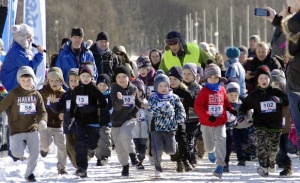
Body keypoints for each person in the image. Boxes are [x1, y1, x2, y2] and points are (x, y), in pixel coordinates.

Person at [236, 65, 289, 177]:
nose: (263, 81)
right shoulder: (254, 95)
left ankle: (272, 162)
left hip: (275, 125)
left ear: (270, 79)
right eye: (260, 78)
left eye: (266, 78)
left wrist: (279, 100)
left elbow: (286, 100)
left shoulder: (276, 91)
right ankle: (264, 167)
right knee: (262, 145)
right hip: (260, 125)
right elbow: (244, 106)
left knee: (273, 149)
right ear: (257, 80)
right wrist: (241, 114)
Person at [263, 1, 300, 157]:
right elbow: (280, 47)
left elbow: (282, 47)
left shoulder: (294, 22)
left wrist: (281, 21)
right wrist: (278, 22)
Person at [0, 66, 47, 181]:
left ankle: (29, 174)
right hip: (17, 129)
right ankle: (21, 151)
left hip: (32, 128)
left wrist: (42, 121)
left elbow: (42, 111)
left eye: (29, 80)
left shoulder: (36, 95)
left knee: (35, 153)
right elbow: (2, 105)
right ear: (19, 81)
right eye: (23, 80)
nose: (26, 83)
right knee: (16, 152)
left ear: (33, 80)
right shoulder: (14, 94)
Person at [194, 64, 237, 178]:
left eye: (215, 77)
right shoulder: (204, 91)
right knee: (209, 145)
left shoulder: (222, 89)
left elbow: (225, 102)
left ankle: (220, 166)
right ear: (206, 79)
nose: (213, 80)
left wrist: (231, 109)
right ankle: (210, 151)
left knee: (221, 141)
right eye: (210, 77)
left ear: (219, 78)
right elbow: (198, 106)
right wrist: (208, 116)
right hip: (206, 123)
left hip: (220, 122)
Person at [70, 62, 107, 178]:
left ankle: (91, 150)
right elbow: (72, 105)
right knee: (80, 143)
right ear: (79, 77)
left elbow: (103, 103)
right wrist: (72, 116)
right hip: (80, 121)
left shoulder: (94, 89)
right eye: (83, 76)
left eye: (88, 76)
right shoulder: (77, 90)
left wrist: (93, 107)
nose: (85, 79)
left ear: (92, 77)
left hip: (93, 121)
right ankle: (82, 168)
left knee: (92, 143)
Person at [148, 73, 186, 177]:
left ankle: (175, 146)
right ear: (156, 87)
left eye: (165, 85)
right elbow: (151, 111)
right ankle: (158, 168)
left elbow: (180, 108)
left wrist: (180, 118)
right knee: (157, 150)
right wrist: (163, 109)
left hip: (170, 127)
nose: (163, 88)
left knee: (171, 150)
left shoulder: (174, 97)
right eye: (160, 86)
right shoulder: (153, 97)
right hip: (156, 128)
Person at [110, 65, 144, 176]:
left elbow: (137, 102)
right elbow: (115, 107)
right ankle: (125, 165)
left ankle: (133, 156)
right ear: (115, 78)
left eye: (124, 76)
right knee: (119, 147)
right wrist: (119, 100)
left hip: (130, 117)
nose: (121, 79)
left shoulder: (133, 88)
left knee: (125, 134)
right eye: (118, 77)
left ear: (129, 77)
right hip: (116, 121)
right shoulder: (114, 89)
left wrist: (142, 104)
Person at [39, 67, 68, 174]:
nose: (54, 83)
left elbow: (68, 108)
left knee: (62, 146)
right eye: (51, 80)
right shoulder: (43, 92)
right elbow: (36, 101)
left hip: (59, 126)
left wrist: (64, 114)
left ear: (61, 81)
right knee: (45, 144)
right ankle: (44, 149)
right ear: (48, 81)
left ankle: (62, 167)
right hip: (46, 125)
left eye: (57, 80)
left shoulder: (64, 94)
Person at [49, 68, 79, 169]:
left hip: (81, 126)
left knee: (82, 147)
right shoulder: (66, 96)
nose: (73, 83)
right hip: (69, 127)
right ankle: (77, 166)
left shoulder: (84, 94)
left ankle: (82, 164)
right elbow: (58, 109)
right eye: (71, 80)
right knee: (70, 148)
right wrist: (53, 103)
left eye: (76, 80)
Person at [1, 23, 45, 92]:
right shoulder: (16, 52)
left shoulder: (19, 50)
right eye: (29, 37)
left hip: (13, 88)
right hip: (11, 88)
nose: (31, 40)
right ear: (22, 38)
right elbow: (28, 68)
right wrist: (39, 55)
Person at [168, 66, 193, 172]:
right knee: (172, 142)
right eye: (170, 79)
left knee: (182, 140)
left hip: (181, 121)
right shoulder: (165, 92)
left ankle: (186, 160)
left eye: (175, 79)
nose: (172, 81)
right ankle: (178, 160)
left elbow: (196, 104)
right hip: (168, 122)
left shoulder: (185, 94)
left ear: (180, 80)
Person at [270, 69, 294, 176]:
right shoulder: (269, 95)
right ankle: (287, 167)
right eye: (274, 83)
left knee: (290, 147)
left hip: (288, 126)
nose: (276, 85)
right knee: (280, 150)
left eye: (278, 83)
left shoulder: (289, 93)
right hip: (276, 127)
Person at [182, 63, 203, 165]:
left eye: (189, 73)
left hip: (195, 118)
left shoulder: (199, 88)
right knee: (185, 137)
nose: (186, 75)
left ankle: (192, 158)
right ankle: (189, 156)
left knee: (191, 137)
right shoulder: (180, 87)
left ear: (194, 75)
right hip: (182, 118)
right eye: (184, 73)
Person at [131, 78, 149, 170]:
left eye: (139, 90)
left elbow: (148, 116)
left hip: (144, 131)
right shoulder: (129, 103)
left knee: (142, 148)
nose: (137, 93)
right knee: (134, 147)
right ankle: (135, 160)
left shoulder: (146, 103)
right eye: (135, 91)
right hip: (133, 131)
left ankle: (140, 161)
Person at [94, 74, 112, 166]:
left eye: (105, 85)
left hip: (106, 121)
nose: (102, 87)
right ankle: (99, 157)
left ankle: (104, 156)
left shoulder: (109, 96)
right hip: (95, 121)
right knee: (97, 139)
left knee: (104, 137)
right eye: (100, 85)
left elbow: (112, 108)